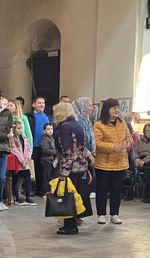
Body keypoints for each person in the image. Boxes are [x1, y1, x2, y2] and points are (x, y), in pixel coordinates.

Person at [53, 101, 92, 235]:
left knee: (68, 197)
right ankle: (71, 224)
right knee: (74, 195)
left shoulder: (64, 127)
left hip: (71, 167)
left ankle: (70, 226)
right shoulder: (77, 124)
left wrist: (64, 171)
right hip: (80, 166)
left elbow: (67, 151)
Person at [92, 98, 130, 224]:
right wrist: (113, 147)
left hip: (120, 162)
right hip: (104, 163)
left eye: (117, 107)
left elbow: (128, 136)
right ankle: (101, 214)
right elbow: (98, 143)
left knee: (116, 190)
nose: (116, 110)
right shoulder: (98, 125)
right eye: (113, 108)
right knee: (102, 189)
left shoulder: (122, 123)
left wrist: (128, 141)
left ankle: (114, 214)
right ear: (107, 110)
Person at [26, 97, 50, 195]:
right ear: (33, 104)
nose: (42, 105)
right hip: (33, 146)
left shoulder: (48, 116)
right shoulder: (29, 116)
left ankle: (40, 189)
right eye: (39, 103)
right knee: (32, 168)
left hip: (44, 147)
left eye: (43, 103)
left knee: (41, 169)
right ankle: (29, 189)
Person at [9, 121, 34, 205]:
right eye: (18, 128)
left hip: (25, 164)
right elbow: (14, 151)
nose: (20, 130)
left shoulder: (25, 139)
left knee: (28, 178)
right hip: (17, 164)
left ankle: (28, 197)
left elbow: (29, 149)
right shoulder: (12, 140)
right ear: (14, 129)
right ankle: (16, 197)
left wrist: (27, 159)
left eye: (21, 128)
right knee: (15, 180)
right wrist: (22, 160)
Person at [135, 123, 150, 203]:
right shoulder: (139, 140)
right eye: (147, 130)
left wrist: (144, 161)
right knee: (128, 170)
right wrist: (136, 159)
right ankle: (127, 194)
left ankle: (148, 196)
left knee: (149, 172)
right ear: (144, 132)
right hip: (139, 160)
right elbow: (134, 151)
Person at [38, 122, 58, 192]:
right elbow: (45, 150)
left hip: (52, 161)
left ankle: (51, 190)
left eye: (51, 129)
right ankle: (46, 191)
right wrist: (56, 152)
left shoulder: (52, 139)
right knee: (46, 177)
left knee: (52, 176)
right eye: (48, 129)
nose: (50, 131)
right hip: (46, 160)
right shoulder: (44, 139)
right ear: (44, 131)